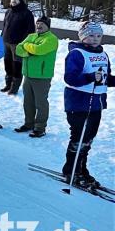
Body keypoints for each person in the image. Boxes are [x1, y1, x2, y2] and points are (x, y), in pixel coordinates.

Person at [60, 22, 112, 188]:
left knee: (88, 140)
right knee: (78, 137)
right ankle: (70, 170)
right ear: (83, 36)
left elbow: (106, 77)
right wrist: (90, 77)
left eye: (98, 36)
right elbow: (70, 78)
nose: (95, 39)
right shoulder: (77, 54)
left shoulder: (103, 54)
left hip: (96, 103)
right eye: (91, 35)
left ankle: (81, 169)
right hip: (78, 101)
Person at [14, 16, 58, 137]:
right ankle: (28, 124)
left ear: (48, 26)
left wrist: (27, 47)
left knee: (41, 103)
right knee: (28, 102)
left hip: (42, 76)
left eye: (42, 24)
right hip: (28, 74)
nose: (39, 26)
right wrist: (29, 51)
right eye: (37, 24)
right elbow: (18, 49)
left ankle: (40, 128)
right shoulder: (31, 36)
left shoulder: (52, 39)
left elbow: (39, 50)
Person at [1, 0, 35, 95]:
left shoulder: (27, 13)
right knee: (7, 64)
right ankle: (8, 84)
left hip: (17, 44)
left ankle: (14, 87)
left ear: (20, 1)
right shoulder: (8, 12)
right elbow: (4, 25)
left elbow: (30, 30)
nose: (13, 1)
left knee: (17, 66)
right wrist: (2, 36)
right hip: (6, 42)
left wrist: (22, 43)